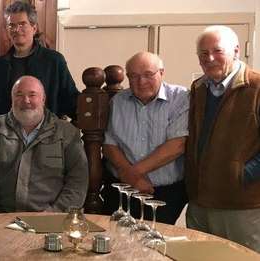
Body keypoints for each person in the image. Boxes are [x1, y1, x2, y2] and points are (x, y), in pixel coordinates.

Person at [184, 25, 260, 252]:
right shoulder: (198, 88)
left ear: (236, 51)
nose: (210, 58)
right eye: (203, 54)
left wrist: (241, 174)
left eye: (217, 51)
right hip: (199, 202)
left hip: (240, 204)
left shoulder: (256, 87)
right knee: (198, 257)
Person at [0, 76, 88, 214]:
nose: (26, 100)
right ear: (12, 99)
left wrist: (52, 215)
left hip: (52, 220)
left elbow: (78, 182)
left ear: (43, 99)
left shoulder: (67, 132)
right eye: (19, 95)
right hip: (3, 217)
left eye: (32, 95)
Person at [101, 52, 188, 224]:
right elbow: (109, 144)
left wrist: (132, 174)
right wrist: (132, 178)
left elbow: (177, 145)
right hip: (120, 190)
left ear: (161, 73)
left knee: (154, 245)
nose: (141, 82)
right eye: (134, 76)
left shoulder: (181, 97)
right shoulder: (118, 101)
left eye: (148, 74)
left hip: (162, 194)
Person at [0, 1, 78, 124]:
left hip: (46, 135)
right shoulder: (0, 65)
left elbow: (70, 99)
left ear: (34, 28)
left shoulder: (54, 61)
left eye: (22, 24)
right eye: (12, 25)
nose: (16, 29)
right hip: (7, 137)